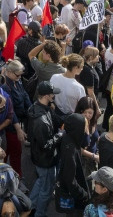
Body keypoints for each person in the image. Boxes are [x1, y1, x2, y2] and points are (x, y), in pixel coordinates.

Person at [26, 81, 63, 217]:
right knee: (46, 189)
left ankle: (30, 206)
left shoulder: (37, 107)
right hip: (46, 160)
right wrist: (60, 135)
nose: (54, 96)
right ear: (47, 96)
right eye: (52, 94)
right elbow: (46, 145)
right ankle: (39, 213)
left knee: (41, 181)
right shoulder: (41, 121)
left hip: (38, 158)